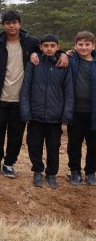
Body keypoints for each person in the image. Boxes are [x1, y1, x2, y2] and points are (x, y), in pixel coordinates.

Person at [0, 11, 42, 178]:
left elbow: (49, 50)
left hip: (21, 99)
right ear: (3, 25)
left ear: (20, 23)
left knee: (16, 133)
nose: (12, 26)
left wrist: (62, 54)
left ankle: (10, 163)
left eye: (15, 22)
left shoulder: (32, 42)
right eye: (8, 23)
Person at [20, 34, 73, 189]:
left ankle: (51, 173)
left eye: (52, 46)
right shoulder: (34, 63)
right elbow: (25, 89)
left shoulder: (63, 65)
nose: (49, 49)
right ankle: (37, 171)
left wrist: (66, 114)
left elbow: (69, 91)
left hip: (55, 116)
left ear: (57, 47)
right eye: (46, 46)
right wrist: (25, 111)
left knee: (53, 146)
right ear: (41, 47)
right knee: (34, 144)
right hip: (35, 115)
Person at [67, 31, 96, 186]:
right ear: (75, 45)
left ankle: (91, 172)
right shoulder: (71, 60)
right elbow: (56, 57)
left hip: (93, 112)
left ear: (93, 45)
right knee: (74, 144)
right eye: (80, 44)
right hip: (75, 111)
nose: (84, 47)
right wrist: (63, 53)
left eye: (87, 44)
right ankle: (75, 171)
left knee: (93, 145)